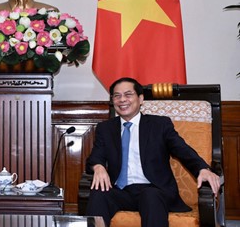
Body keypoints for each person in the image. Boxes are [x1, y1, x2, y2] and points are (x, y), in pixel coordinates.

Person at [85, 77, 221, 227]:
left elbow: (181, 149)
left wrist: (202, 168)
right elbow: (95, 156)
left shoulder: (159, 125)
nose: (122, 99)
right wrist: (98, 167)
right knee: (99, 194)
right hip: (121, 192)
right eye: (117, 96)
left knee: (150, 195)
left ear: (141, 98)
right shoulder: (106, 128)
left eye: (128, 94)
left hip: (154, 190)